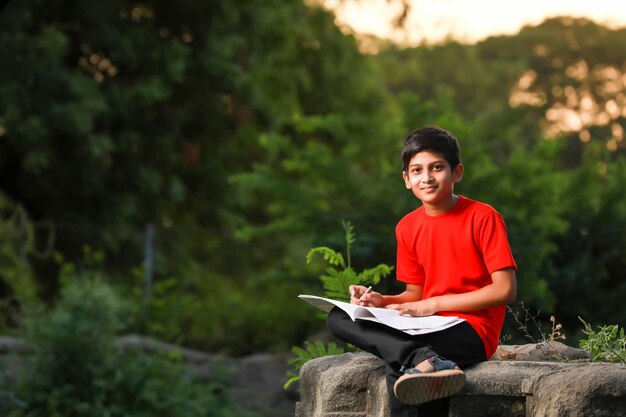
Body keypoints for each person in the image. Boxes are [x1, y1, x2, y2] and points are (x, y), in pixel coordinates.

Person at [327, 126, 517, 417]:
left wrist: (433, 305)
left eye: (437, 167)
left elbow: (505, 290)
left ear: (457, 172)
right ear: (406, 179)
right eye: (417, 170)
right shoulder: (407, 227)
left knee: (400, 368)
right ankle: (426, 359)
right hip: (425, 325)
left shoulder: (483, 217)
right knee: (339, 317)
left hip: (471, 331)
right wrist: (383, 301)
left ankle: (420, 359)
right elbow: (414, 293)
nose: (426, 178)